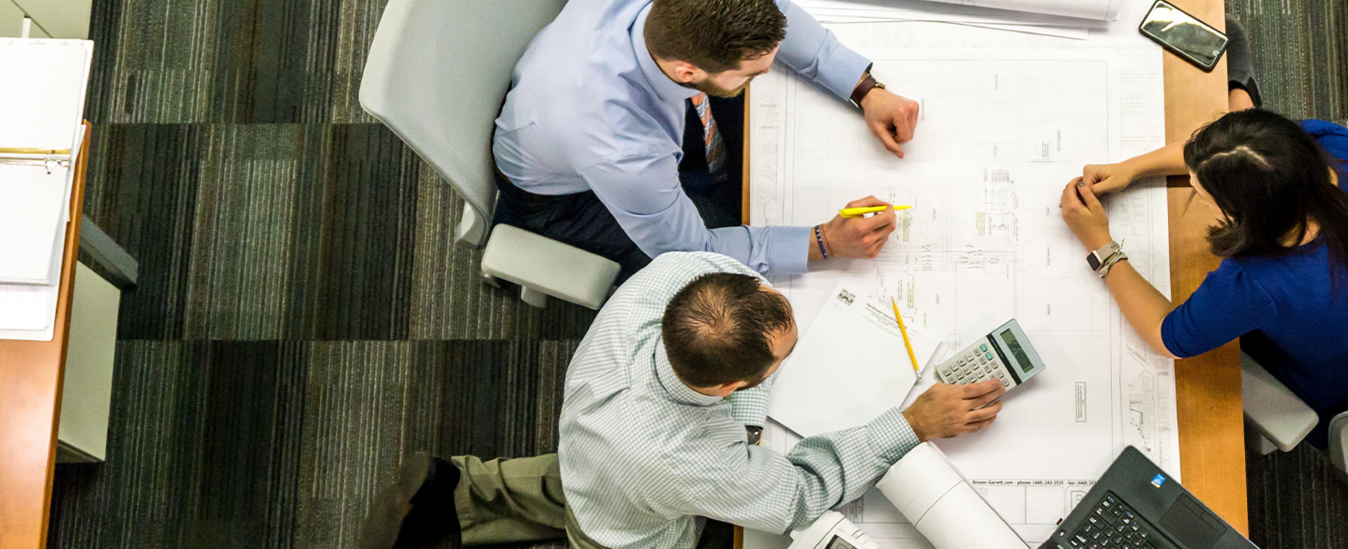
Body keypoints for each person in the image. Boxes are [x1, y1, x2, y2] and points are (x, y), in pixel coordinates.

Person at [359, 252, 1005, 549]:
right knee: (602, 523)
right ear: (728, 388)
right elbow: (802, 494)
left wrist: (745, 424)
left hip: (592, 444)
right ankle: (457, 507)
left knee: (579, 483)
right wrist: (909, 422)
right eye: (781, 362)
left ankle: (456, 489)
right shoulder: (692, 462)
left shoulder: (676, 276)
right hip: (628, 526)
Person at [1056, 19, 1348, 447]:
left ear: (1247, 217)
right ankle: (1243, 92)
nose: (1196, 194)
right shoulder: (1334, 146)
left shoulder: (1255, 286)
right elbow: (1245, 155)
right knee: (1232, 52)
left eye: (1203, 194)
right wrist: (1133, 168)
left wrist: (1099, 244)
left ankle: (1241, 90)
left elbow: (1169, 337)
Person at [492, 0, 922, 280]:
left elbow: (779, 11)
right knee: (729, 276)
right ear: (687, 70)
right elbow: (692, 251)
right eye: (753, 72)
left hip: (573, 95)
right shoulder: (619, 144)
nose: (769, 72)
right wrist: (823, 242)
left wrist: (863, 88)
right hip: (565, 196)